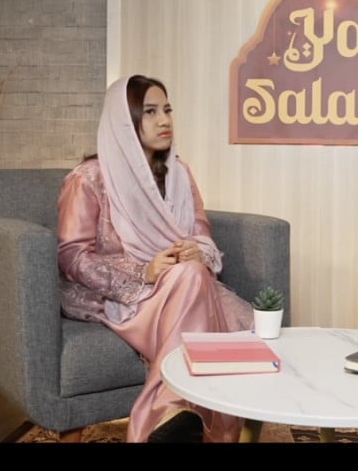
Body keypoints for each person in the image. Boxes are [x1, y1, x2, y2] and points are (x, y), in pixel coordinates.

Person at [57, 75, 254, 443]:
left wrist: (197, 251)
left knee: (221, 302)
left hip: (183, 286)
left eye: (167, 109)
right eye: (150, 112)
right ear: (124, 120)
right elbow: (71, 256)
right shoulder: (88, 179)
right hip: (125, 295)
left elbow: (201, 232)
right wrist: (143, 271)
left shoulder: (179, 174)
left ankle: (175, 420)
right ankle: (171, 413)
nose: (164, 120)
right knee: (193, 280)